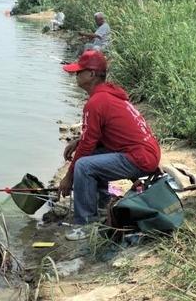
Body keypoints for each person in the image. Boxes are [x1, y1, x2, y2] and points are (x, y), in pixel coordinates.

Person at [59, 50, 161, 240]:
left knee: (83, 165)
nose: (75, 75)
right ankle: (102, 201)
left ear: (91, 74)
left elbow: (87, 148)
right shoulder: (108, 95)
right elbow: (93, 137)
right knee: (90, 158)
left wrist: (68, 177)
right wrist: (78, 141)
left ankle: (86, 224)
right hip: (147, 153)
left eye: (79, 71)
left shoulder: (96, 102)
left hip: (139, 157)